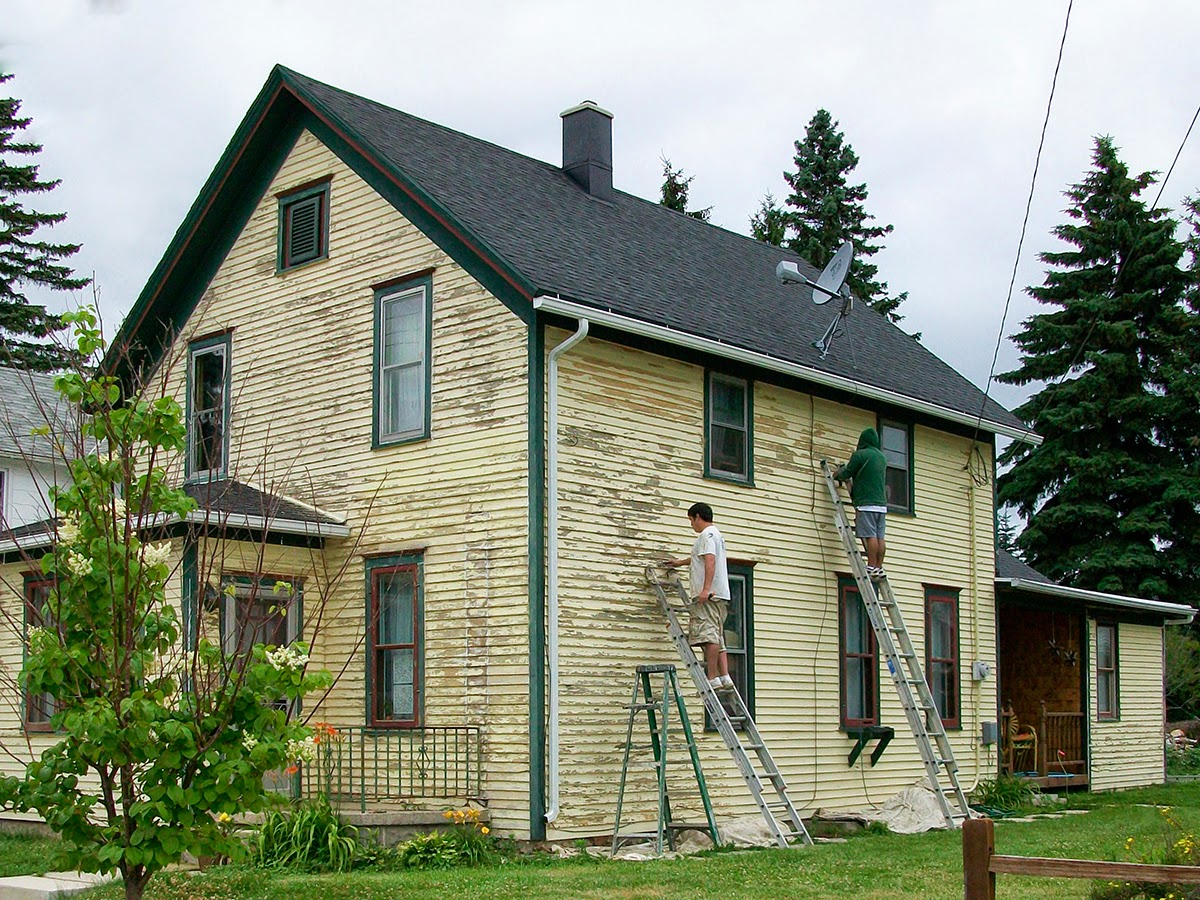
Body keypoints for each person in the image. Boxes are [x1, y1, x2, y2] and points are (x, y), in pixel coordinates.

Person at [665, 502, 734, 695]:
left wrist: (705, 589)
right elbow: (701, 558)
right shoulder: (716, 535)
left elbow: (709, 560)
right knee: (717, 634)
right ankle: (725, 676)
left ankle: (712, 678)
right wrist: (680, 562)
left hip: (708, 595)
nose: (691, 525)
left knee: (707, 635)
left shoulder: (705, 535)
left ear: (697, 516)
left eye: (691, 520)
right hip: (719, 594)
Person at [834, 427, 888, 578]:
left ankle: (871, 566)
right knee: (880, 537)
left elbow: (848, 473)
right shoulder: (881, 457)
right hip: (881, 505)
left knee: (870, 535)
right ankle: (879, 567)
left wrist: (837, 474)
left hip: (866, 502)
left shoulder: (860, 455)